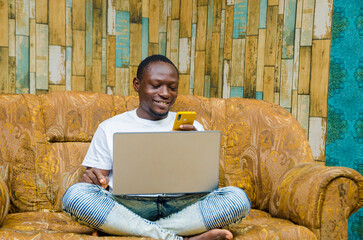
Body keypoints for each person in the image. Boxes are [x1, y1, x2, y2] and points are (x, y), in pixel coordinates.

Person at [62, 55, 251, 240]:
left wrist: (194, 149)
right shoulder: (110, 127)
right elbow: (96, 182)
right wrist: (92, 179)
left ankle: (130, 230)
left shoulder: (193, 127)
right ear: (137, 84)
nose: (165, 93)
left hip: (182, 206)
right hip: (128, 206)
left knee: (237, 199)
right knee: (76, 195)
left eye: (172, 87)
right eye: (156, 85)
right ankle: (176, 237)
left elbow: (206, 186)